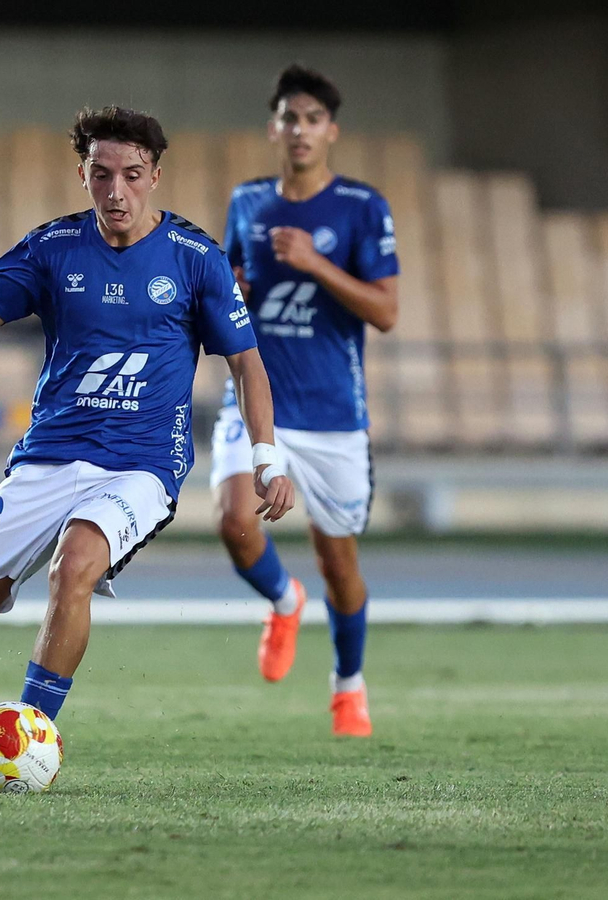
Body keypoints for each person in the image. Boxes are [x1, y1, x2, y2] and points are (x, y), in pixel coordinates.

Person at [0, 106, 296, 789]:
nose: (117, 190)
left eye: (133, 175)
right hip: (50, 456)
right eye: (102, 174)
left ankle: (27, 733)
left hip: (143, 463)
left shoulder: (196, 259)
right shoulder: (52, 248)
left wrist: (267, 457)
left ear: (156, 176)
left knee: (75, 562)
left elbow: (247, 365)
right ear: (82, 173)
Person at [211, 65, 400, 737]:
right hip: (258, 396)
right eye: (290, 118)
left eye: (313, 119)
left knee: (338, 561)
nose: (300, 130)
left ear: (331, 131)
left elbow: (385, 312)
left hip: (333, 414)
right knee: (235, 519)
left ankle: (348, 684)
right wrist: (233, 290)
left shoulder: (361, 207)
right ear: (274, 128)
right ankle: (282, 599)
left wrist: (316, 263)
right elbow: (230, 296)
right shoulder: (247, 202)